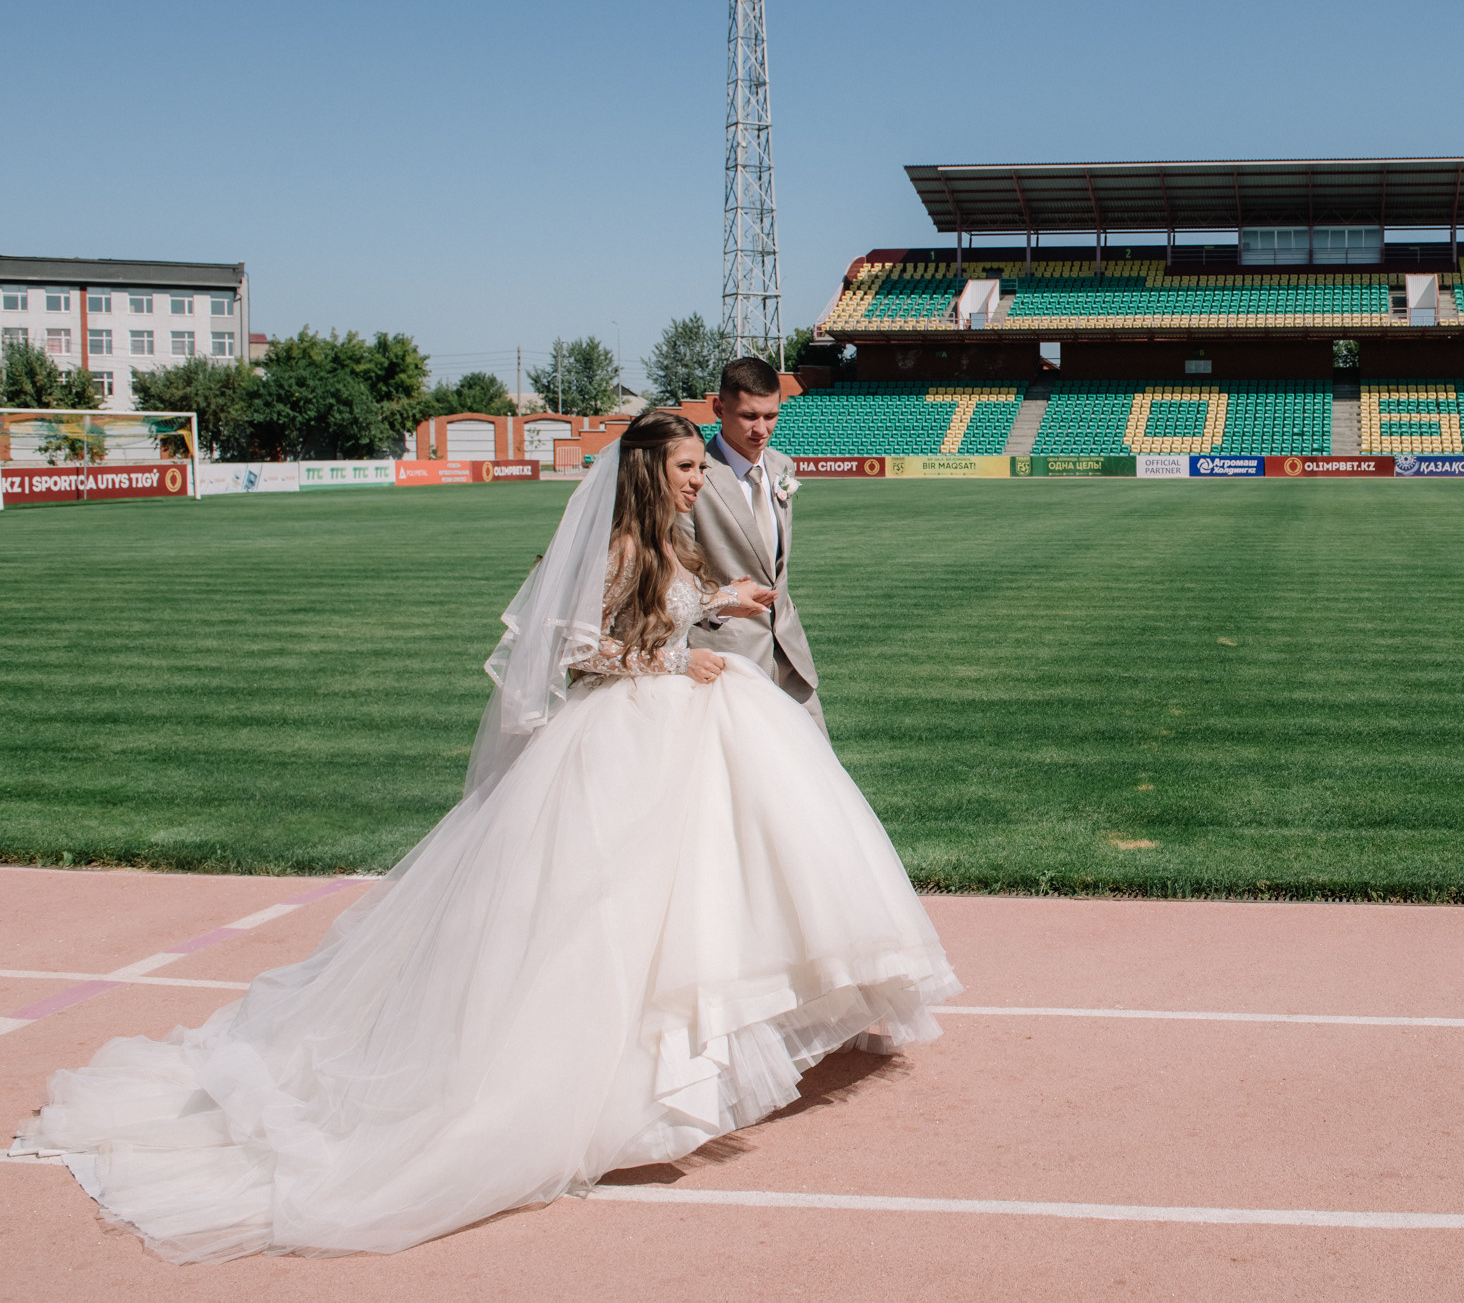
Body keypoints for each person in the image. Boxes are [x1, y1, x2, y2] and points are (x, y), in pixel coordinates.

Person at [13, 409, 960, 1263]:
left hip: (674, 721)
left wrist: (712, 611)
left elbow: (654, 614)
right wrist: (679, 654)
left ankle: (691, 1049)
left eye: (693, 467)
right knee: (609, 912)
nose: (694, 478)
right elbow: (579, 650)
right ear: (646, 472)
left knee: (700, 890)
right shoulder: (619, 548)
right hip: (627, 735)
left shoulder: (661, 539)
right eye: (681, 466)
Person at [687, 357, 825, 734]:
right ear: (719, 407)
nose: (761, 429)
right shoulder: (692, 473)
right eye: (749, 416)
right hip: (724, 655)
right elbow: (674, 576)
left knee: (815, 767)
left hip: (789, 652)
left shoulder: (783, 467)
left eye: (771, 416)